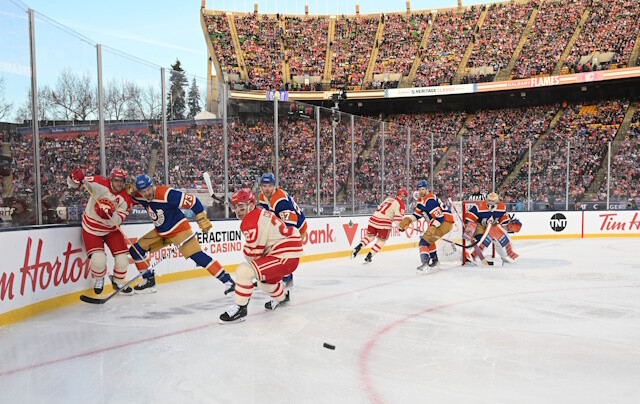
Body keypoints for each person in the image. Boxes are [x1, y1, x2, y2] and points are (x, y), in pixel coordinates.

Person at [127, 173, 235, 295]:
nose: (146, 193)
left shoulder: (166, 194)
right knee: (135, 250)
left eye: (148, 189)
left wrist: (200, 214)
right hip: (161, 232)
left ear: (152, 185)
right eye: (143, 191)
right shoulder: (139, 196)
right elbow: (127, 196)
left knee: (198, 256)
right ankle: (148, 280)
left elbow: (193, 201)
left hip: (179, 230)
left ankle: (228, 282)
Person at [219, 188, 304, 324]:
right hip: (288, 253)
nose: (238, 211)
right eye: (236, 207)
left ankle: (240, 309)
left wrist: (248, 253)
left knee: (244, 271)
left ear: (251, 204)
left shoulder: (250, 221)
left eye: (241, 206)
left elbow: (253, 255)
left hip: (284, 255)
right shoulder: (259, 213)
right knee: (265, 282)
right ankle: (283, 299)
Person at [67, 168, 133, 295]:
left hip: (112, 230)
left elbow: (118, 219)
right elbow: (79, 183)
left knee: (123, 260)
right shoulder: (99, 183)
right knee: (98, 260)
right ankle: (99, 279)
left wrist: (108, 215)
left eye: (121, 181)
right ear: (110, 179)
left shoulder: (126, 198)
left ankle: (118, 282)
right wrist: (73, 178)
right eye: (116, 180)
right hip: (92, 228)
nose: (119, 184)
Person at [257, 172, 307, 289]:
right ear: (261, 187)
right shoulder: (262, 197)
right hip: (284, 223)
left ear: (274, 186)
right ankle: (270, 276)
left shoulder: (280, 201)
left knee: (284, 249)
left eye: (269, 185)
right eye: (264, 185)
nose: (267, 188)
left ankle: (287, 279)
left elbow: (290, 225)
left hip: (298, 227)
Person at [398, 179, 454, 272]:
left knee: (423, 241)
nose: (421, 191)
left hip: (445, 222)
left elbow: (440, 217)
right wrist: (408, 220)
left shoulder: (430, 200)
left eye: (423, 189)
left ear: (427, 189)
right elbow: (417, 215)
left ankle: (425, 263)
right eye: (419, 189)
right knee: (429, 239)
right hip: (440, 221)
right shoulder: (421, 201)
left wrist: (432, 227)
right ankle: (435, 261)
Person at [351, 188, 408, 263]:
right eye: (405, 197)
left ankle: (358, 247)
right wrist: (401, 228)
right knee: (381, 241)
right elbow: (398, 220)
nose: (405, 199)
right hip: (384, 223)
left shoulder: (389, 199)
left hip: (373, 219)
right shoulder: (401, 205)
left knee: (369, 237)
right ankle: (369, 256)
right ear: (401, 196)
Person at [463, 192, 521, 264]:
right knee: (482, 239)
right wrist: (470, 230)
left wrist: (508, 225)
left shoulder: (501, 207)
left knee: (501, 239)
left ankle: (506, 256)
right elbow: (469, 218)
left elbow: (503, 220)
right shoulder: (479, 206)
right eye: (489, 200)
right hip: (480, 226)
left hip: (493, 226)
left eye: (492, 201)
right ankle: (470, 254)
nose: (490, 203)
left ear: (497, 201)